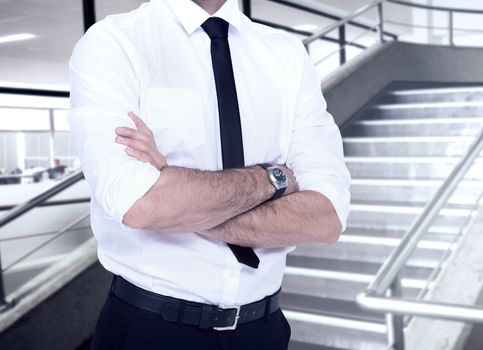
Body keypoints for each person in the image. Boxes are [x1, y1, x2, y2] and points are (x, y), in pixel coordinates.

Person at [67, 0, 351, 348]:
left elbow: (326, 219)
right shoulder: (115, 43)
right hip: (151, 330)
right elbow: (140, 205)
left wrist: (173, 186)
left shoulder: (287, 54)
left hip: (264, 331)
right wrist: (274, 178)